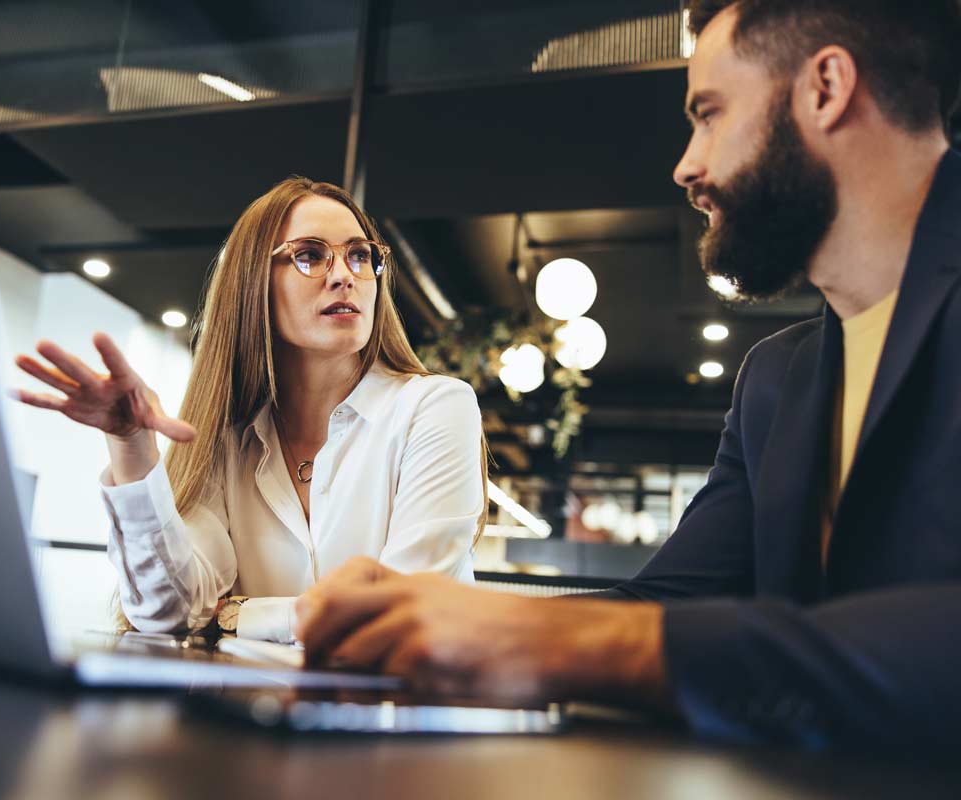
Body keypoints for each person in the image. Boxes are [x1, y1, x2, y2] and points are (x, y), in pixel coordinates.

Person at [295, 0, 961, 751]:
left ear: (826, 88)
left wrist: (574, 645)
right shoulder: (776, 379)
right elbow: (669, 603)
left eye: (708, 114)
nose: (687, 166)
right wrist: (434, 615)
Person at [12, 177, 487, 643]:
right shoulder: (227, 440)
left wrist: (241, 615)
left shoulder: (436, 406)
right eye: (310, 255)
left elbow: (405, 612)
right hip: (256, 718)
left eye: (359, 255)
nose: (345, 275)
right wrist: (131, 446)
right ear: (252, 283)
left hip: (405, 719)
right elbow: (169, 612)